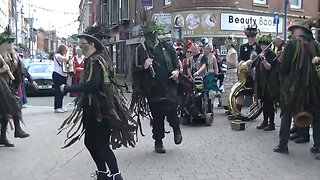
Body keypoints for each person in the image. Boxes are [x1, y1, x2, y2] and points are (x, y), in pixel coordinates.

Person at [59, 30, 137, 180]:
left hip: (101, 109)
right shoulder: (92, 60)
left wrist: (68, 88)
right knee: (90, 142)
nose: (81, 48)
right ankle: (103, 173)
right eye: (79, 45)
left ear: (92, 45)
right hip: (93, 109)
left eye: (83, 45)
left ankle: (115, 175)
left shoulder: (96, 61)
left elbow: (93, 85)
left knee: (100, 143)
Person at [131, 20, 182, 154]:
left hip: (169, 85)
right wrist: (144, 66)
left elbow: (177, 64)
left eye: (153, 35)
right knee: (157, 116)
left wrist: (177, 72)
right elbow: (133, 70)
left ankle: (176, 129)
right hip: (152, 88)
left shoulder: (166, 46)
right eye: (148, 36)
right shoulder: (140, 50)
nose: (151, 38)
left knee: (172, 110)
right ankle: (158, 142)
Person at [273, 16, 320, 154]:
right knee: (316, 115)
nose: (291, 32)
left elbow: (284, 67)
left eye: (293, 30)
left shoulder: (293, 44)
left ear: (299, 30)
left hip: (293, 86)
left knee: (286, 114)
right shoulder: (315, 44)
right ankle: (317, 146)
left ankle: (283, 145)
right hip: (313, 87)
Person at [0, 27, 35, 147]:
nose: (11, 45)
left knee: (4, 112)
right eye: (8, 42)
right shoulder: (1, 56)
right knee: (15, 104)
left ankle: (3, 137)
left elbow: (23, 70)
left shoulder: (14, 56)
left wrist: (31, 81)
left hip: (7, 85)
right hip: (1, 86)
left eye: (11, 42)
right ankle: (18, 130)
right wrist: (1, 70)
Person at [234, 25, 262, 116]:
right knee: (241, 92)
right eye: (249, 36)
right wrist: (242, 62)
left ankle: (254, 111)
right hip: (244, 74)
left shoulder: (258, 47)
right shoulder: (243, 46)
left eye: (252, 36)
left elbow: (259, 60)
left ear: (255, 36)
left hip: (255, 74)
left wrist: (252, 64)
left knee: (255, 93)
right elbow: (241, 57)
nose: (250, 38)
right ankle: (237, 112)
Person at [253, 35, 278, 131]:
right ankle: (265, 121)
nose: (263, 46)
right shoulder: (260, 54)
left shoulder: (271, 54)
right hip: (261, 83)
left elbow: (269, 67)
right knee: (263, 103)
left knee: (269, 104)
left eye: (265, 45)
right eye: (262, 45)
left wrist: (263, 59)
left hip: (269, 83)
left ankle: (271, 124)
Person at [222, 36, 238, 111]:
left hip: (233, 73)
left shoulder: (232, 51)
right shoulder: (229, 51)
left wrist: (226, 61)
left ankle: (232, 107)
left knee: (231, 90)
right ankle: (229, 106)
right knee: (228, 90)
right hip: (229, 72)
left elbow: (234, 63)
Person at [52, 45, 69, 113]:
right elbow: (65, 59)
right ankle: (57, 107)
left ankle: (61, 106)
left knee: (62, 91)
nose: (66, 52)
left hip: (63, 75)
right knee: (58, 91)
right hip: (58, 74)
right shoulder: (57, 55)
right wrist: (67, 55)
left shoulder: (63, 55)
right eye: (65, 50)